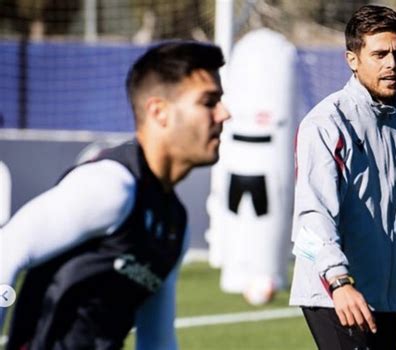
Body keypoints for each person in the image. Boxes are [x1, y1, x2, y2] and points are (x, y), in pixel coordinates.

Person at [0, 40, 230, 349]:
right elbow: (8, 248)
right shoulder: (111, 187)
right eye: (209, 101)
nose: (225, 114)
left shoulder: (175, 224)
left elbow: (156, 339)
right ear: (159, 111)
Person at [289, 5, 396, 350]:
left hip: (384, 298)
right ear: (352, 59)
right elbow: (311, 217)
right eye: (379, 54)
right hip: (334, 294)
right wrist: (339, 282)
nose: (392, 63)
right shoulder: (326, 124)